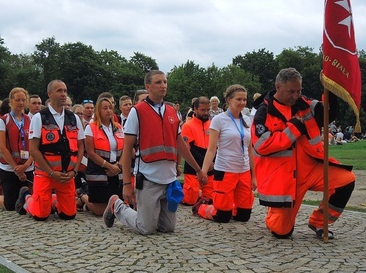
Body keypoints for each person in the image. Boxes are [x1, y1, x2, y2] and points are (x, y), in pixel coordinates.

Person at [251, 68, 356, 239]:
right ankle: (274, 213)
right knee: (282, 232)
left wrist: (329, 89)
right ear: (278, 87)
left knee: (347, 180)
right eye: (291, 91)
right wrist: (294, 128)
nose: (296, 96)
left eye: (299, 91)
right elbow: (262, 145)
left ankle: (319, 223)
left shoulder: (305, 103)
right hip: (285, 179)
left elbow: (327, 114)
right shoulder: (264, 112)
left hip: (312, 169)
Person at [102, 70, 204, 235]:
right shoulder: (138, 111)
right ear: (147, 86)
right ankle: (117, 205)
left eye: (165, 82)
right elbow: (127, 149)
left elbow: (180, 143)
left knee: (168, 228)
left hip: (169, 179)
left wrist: (197, 169)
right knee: (146, 228)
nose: (163, 85)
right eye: (158, 82)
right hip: (148, 178)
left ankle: (147, 215)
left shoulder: (172, 111)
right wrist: (127, 184)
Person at [15, 80, 85, 221]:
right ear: (50, 94)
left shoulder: (74, 118)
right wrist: (51, 173)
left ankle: (51, 200)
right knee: (41, 216)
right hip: (45, 174)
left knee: (68, 215)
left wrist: (74, 172)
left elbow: (81, 147)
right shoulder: (39, 117)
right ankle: (27, 198)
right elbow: (33, 149)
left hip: (66, 175)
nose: (63, 94)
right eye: (59, 91)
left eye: (65, 91)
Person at [194, 86, 256, 223]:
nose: (243, 102)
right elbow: (211, 149)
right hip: (225, 170)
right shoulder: (219, 120)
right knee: (222, 217)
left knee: (243, 217)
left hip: (244, 171)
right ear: (229, 100)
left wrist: (254, 176)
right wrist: (203, 172)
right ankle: (203, 208)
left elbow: (250, 150)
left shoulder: (247, 120)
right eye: (239, 99)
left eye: (245, 99)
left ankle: (230, 206)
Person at [0, 87, 34, 210]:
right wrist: (16, 169)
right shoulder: (4, 120)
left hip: (26, 165)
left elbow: (34, 146)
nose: (21, 103)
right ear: (11, 101)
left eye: (23, 100)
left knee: (27, 198)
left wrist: (26, 165)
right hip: (9, 167)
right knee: (10, 206)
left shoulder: (30, 120)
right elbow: (2, 147)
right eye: (17, 100)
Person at [77, 97, 124, 215]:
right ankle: (83, 196)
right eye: (105, 108)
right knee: (100, 211)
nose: (108, 111)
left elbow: (124, 149)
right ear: (98, 110)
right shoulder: (91, 127)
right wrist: (108, 165)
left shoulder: (118, 127)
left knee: (117, 204)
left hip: (116, 170)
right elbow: (91, 153)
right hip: (98, 170)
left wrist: (117, 166)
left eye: (110, 108)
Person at [180, 96, 213, 206]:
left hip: (210, 166)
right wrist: (205, 164)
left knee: (210, 199)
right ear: (195, 109)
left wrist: (212, 163)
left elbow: (218, 147)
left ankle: (200, 195)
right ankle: (186, 190)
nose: (206, 113)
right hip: (193, 166)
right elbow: (189, 149)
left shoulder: (213, 125)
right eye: (203, 110)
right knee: (190, 200)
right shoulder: (187, 126)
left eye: (208, 110)